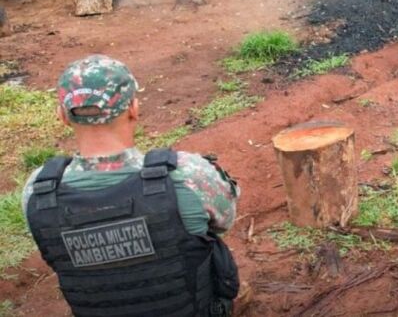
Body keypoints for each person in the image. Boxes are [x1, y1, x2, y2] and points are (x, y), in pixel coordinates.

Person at [22, 55, 240, 317]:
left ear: (63, 116)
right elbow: (224, 222)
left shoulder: (38, 191)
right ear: (134, 108)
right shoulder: (187, 174)